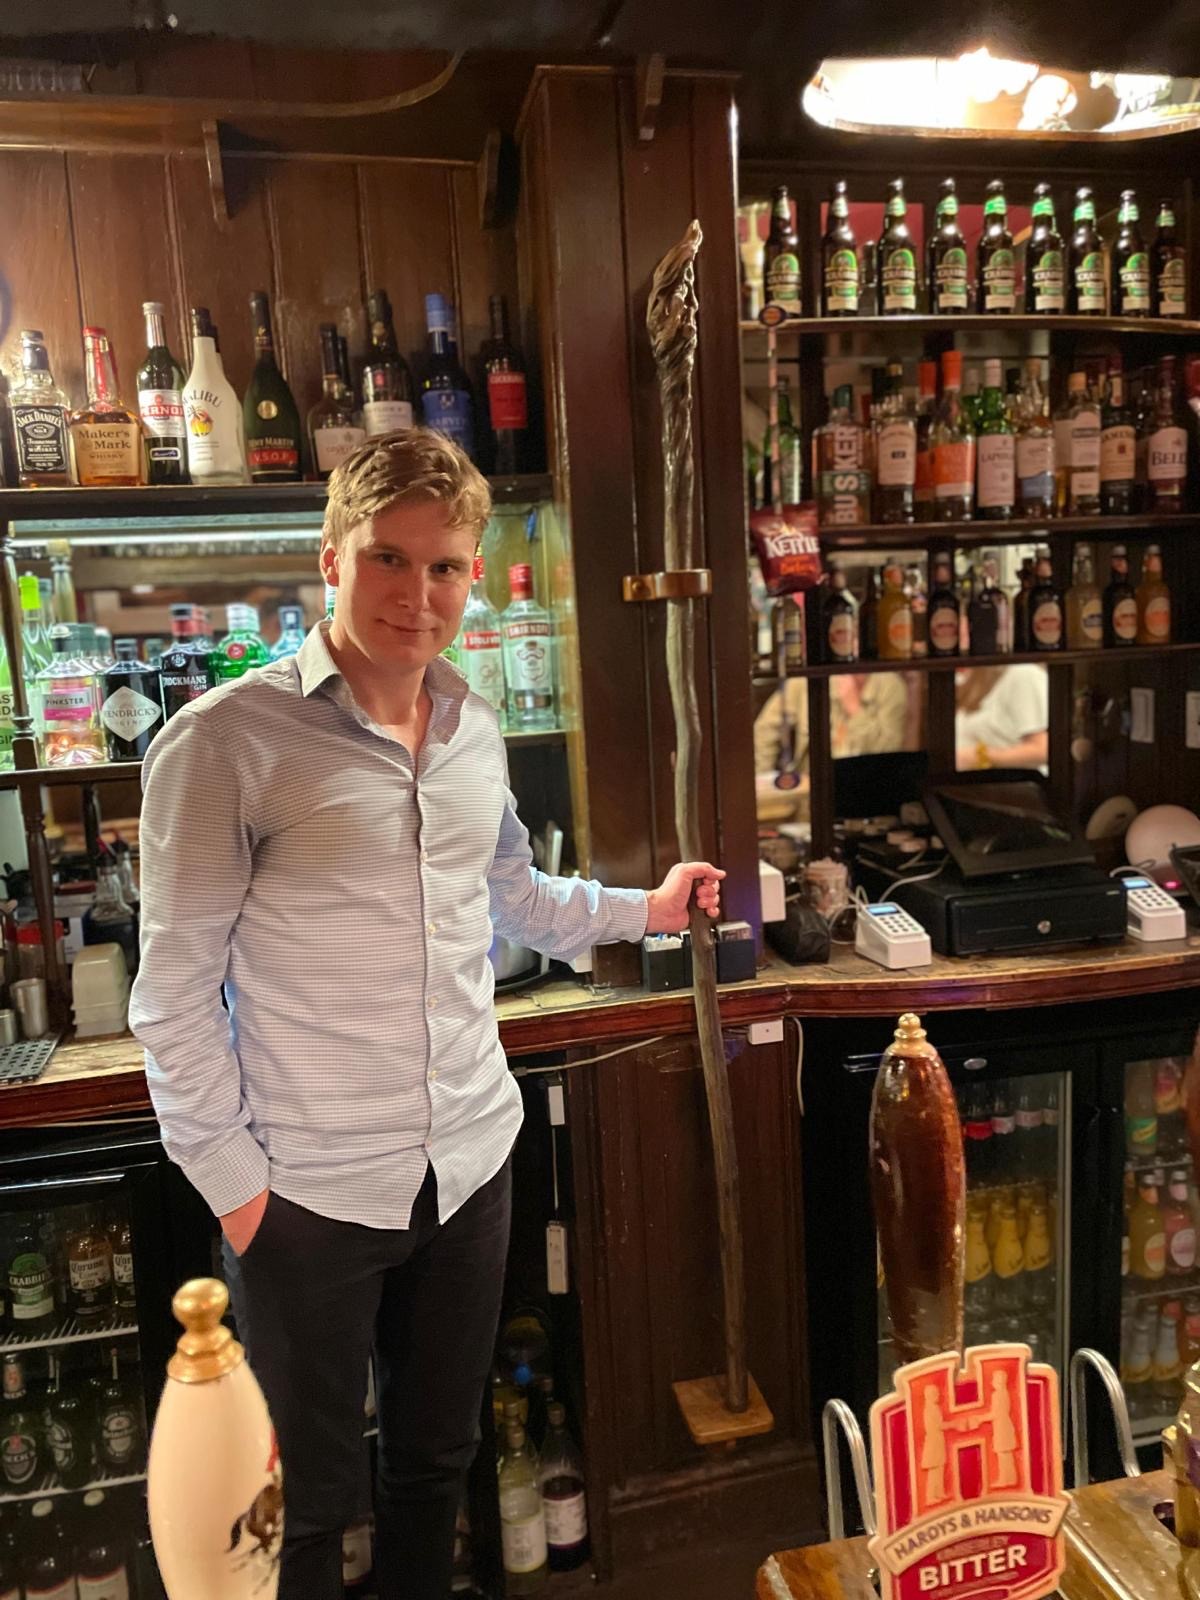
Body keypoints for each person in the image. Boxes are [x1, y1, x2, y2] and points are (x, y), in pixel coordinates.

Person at [129, 429, 723, 1600]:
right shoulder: (225, 743)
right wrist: (241, 1196)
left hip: (468, 1162)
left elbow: (514, 894)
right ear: (331, 557)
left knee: (435, 1464)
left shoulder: (471, 724)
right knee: (298, 1504)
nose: (419, 594)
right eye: (389, 560)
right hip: (306, 1190)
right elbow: (174, 996)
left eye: (446, 565)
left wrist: (648, 907)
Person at [955, 664, 1049, 772]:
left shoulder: (1023, 674)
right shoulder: (976, 679)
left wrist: (980, 757)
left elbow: (1044, 750)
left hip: (1012, 784)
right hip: (972, 785)